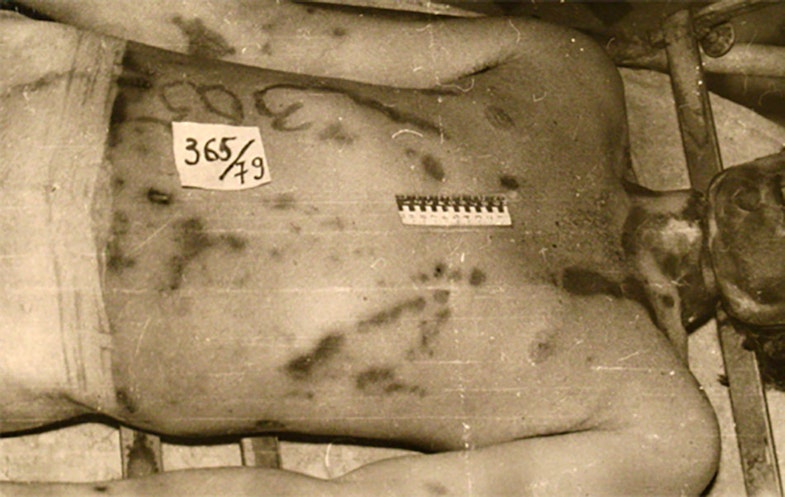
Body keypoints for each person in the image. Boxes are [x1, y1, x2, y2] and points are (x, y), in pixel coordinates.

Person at [0, 1, 731, 495]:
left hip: (41, 321)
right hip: (46, 80)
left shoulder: (660, 426)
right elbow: (248, 28)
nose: (776, 203)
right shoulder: (571, 77)